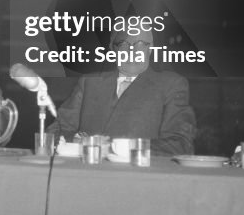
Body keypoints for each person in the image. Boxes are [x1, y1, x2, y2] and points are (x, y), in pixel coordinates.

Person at [54, 29, 195, 156]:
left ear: (150, 49)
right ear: (112, 49)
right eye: (123, 44)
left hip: (138, 178)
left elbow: (181, 144)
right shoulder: (89, 82)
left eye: (140, 44)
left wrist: (123, 148)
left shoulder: (171, 84)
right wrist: (76, 140)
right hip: (86, 175)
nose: (131, 51)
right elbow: (55, 131)